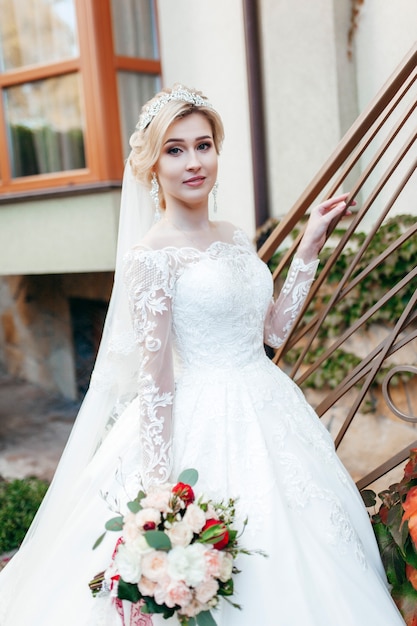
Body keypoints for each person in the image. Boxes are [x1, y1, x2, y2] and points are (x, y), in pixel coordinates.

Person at [0, 84, 405, 626]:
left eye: (204, 145)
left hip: (270, 406)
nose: (194, 162)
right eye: (175, 149)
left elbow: (274, 332)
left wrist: (306, 247)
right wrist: (164, 498)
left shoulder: (236, 238)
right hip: (202, 418)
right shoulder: (152, 257)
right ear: (151, 165)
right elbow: (156, 383)